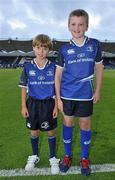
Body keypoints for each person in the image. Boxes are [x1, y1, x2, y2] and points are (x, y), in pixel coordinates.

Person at [55, 9, 103, 176]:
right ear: (68, 26)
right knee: (68, 124)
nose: (77, 28)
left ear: (87, 26)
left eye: (81, 24)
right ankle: (67, 156)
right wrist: (58, 99)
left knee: (85, 124)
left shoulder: (94, 45)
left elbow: (99, 68)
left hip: (85, 95)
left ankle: (84, 158)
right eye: (74, 24)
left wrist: (97, 90)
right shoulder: (63, 49)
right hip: (67, 95)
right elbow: (58, 76)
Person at [19, 34, 60, 174]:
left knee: (50, 131)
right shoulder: (27, 66)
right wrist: (24, 106)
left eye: (44, 48)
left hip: (48, 103)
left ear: (49, 50)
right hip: (32, 103)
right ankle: (35, 155)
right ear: (33, 48)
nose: (41, 51)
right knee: (34, 131)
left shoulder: (53, 67)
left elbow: (56, 88)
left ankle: (53, 158)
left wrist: (56, 106)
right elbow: (23, 87)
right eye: (38, 48)